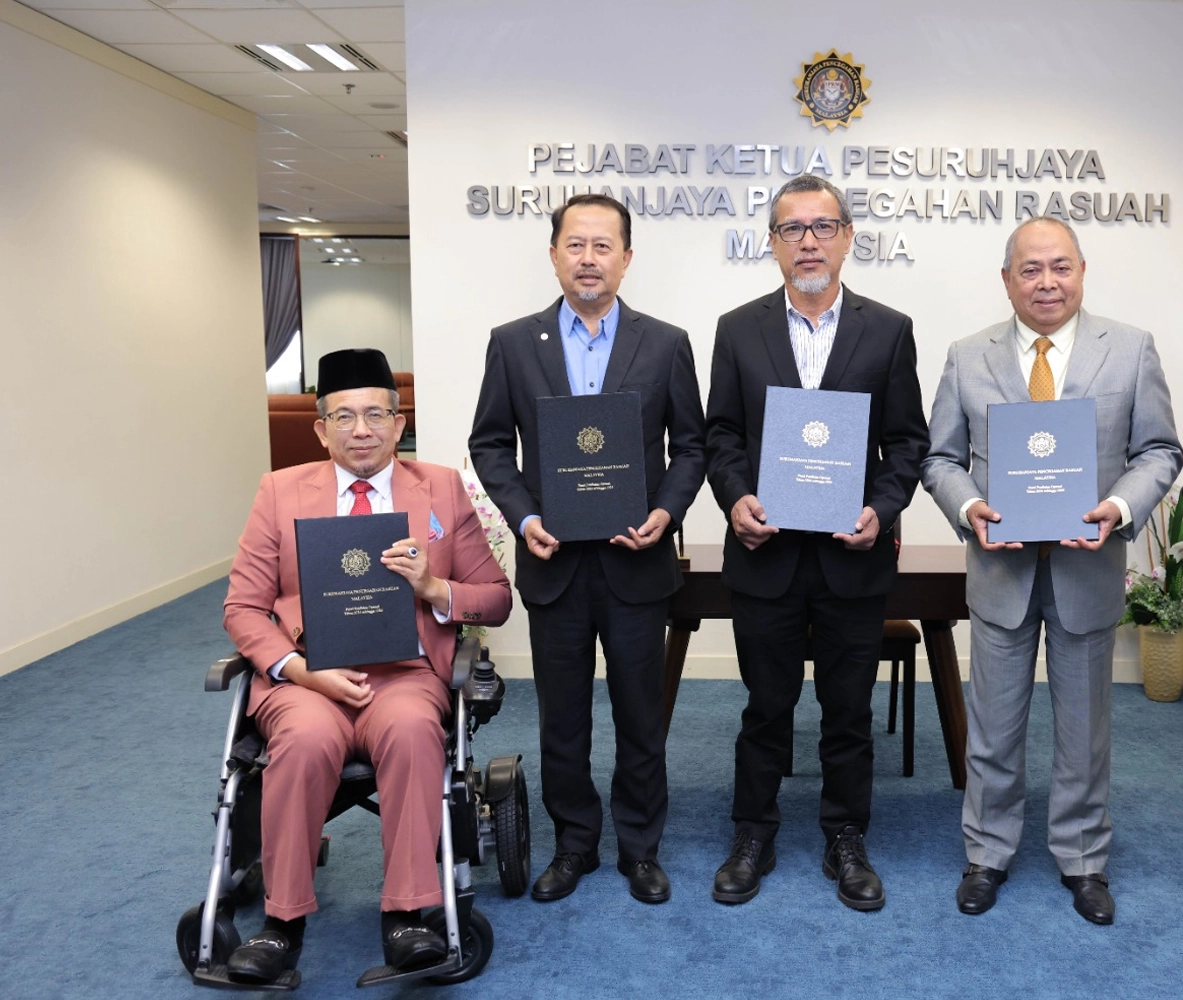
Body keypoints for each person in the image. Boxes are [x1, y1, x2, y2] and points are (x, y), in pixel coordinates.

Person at [221, 348, 513, 985]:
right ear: (320, 429)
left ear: (399, 423)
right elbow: (242, 607)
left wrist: (434, 588)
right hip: (309, 679)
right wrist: (298, 670)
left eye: (376, 414)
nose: (362, 430)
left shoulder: (440, 487)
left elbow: (495, 598)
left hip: (405, 676)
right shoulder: (280, 492)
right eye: (344, 417)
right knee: (303, 740)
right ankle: (281, 925)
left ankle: (407, 916)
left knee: (411, 732)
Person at [922, 217, 1183, 922]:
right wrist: (969, 506)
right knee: (993, 727)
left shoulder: (1129, 349)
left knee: (1085, 732)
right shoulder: (967, 356)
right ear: (1007, 279)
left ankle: (1084, 859)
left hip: (1086, 571)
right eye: (1030, 269)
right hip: (999, 573)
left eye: (1060, 267)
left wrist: (1117, 509)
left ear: (1082, 271)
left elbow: (1160, 451)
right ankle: (987, 853)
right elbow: (940, 458)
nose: (1047, 282)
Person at [469, 193, 706, 905]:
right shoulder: (514, 343)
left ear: (627, 258)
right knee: (562, 720)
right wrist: (523, 518)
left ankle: (640, 847)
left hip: (638, 562)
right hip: (555, 566)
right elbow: (490, 444)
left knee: (641, 716)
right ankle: (574, 844)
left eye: (604, 246)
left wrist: (666, 511)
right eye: (576, 245)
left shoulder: (665, 343)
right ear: (553, 255)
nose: (589, 258)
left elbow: (691, 446)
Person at [704, 173, 929, 910]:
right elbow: (721, 433)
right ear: (772, 243)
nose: (809, 241)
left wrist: (881, 510)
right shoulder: (738, 329)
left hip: (849, 557)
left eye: (823, 226)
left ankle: (846, 836)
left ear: (847, 237)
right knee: (764, 707)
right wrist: (735, 497)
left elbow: (906, 442)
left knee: (848, 711)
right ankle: (753, 833)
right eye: (792, 229)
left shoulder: (888, 329)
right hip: (765, 554)